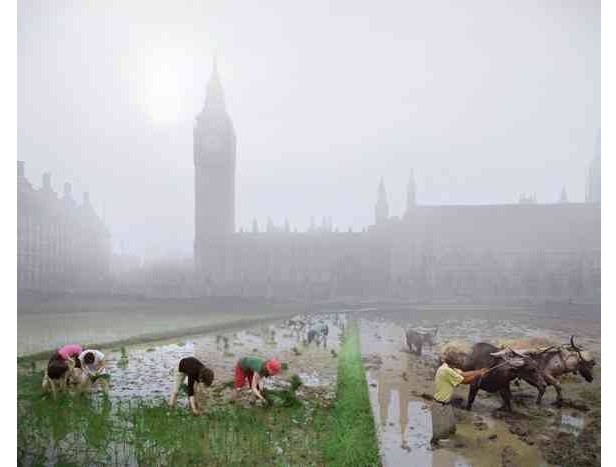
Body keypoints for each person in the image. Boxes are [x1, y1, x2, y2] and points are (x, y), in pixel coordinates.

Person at [431, 355, 489, 443]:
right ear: (452, 363)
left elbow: (463, 374)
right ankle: (436, 448)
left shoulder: (447, 366)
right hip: (439, 405)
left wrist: (479, 371)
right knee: (437, 434)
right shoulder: (446, 370)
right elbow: (464, 381)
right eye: (456, 362)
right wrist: (479, 375)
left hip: (446, 404)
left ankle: (449, 440)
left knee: (452, 428)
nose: (458, 363)